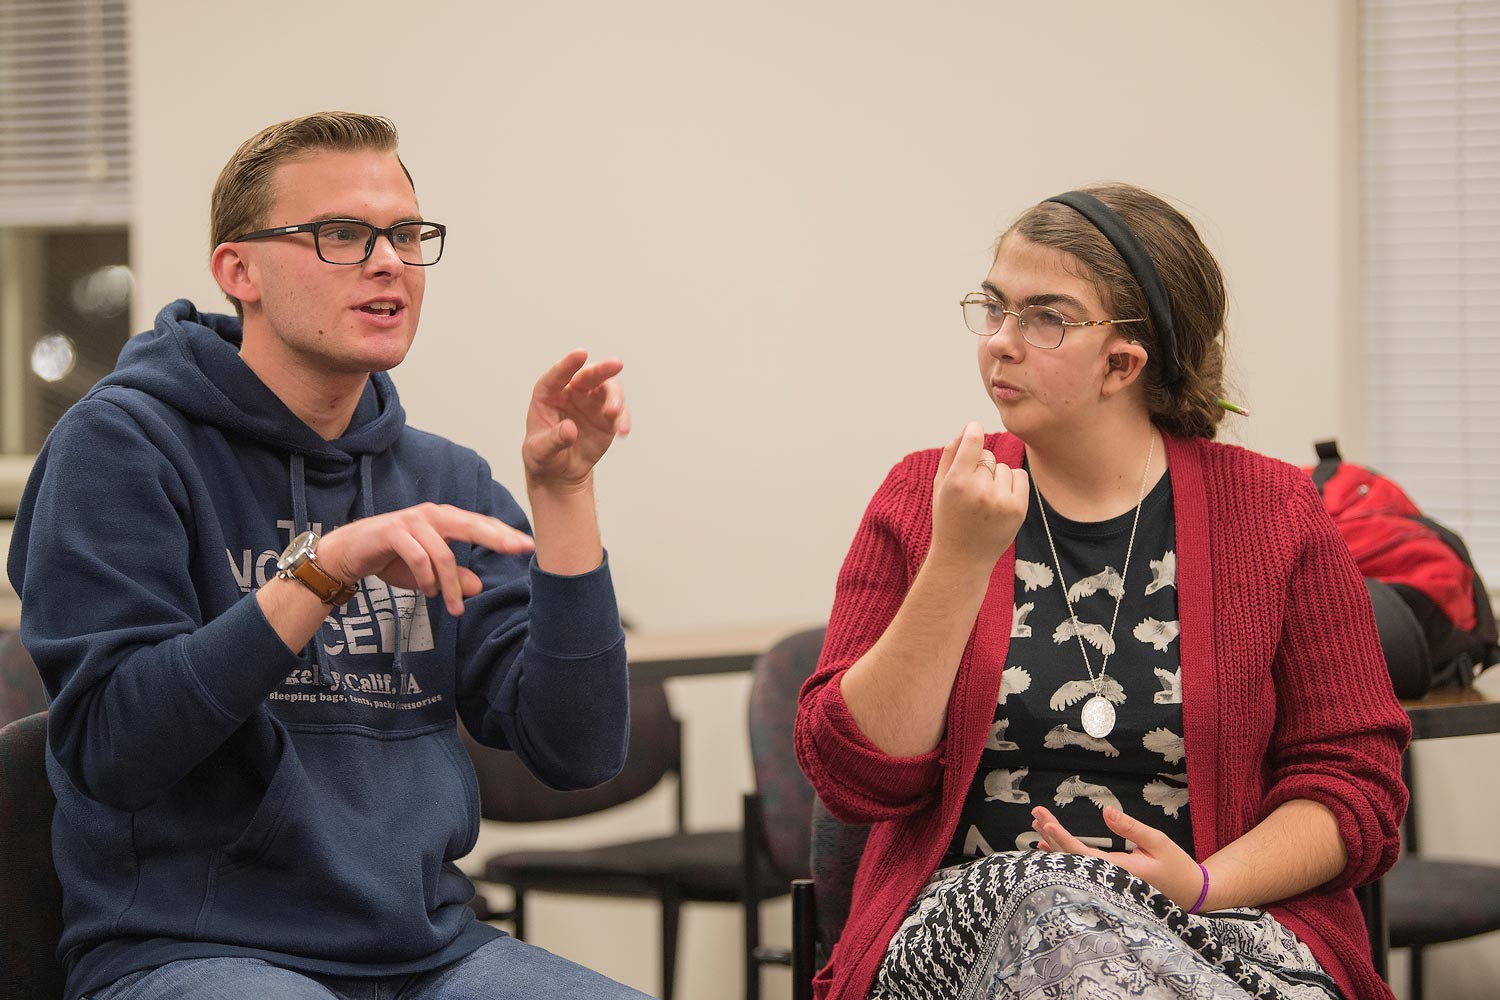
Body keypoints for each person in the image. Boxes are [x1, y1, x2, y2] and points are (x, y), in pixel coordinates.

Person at [7, 112, 650, 1000]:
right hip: (190, 951)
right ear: (239, 270)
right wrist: (322, 570)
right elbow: (115, 746)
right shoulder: (120, 448)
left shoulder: (441, 476)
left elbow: (576, 750)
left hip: (432, 954)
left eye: (405, 235)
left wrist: (564, 496)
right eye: (342, 235)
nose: (388, 261)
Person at [794, 184, 1411, 1000]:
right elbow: (854, 775)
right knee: (1050, 905)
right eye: (994, 307)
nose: (1001, 344)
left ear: (1123, 362)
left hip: (1217, 929)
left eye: (1044, 317)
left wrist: (1198, 888)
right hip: (970, 926)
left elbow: (1354, 785)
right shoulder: (927, 497)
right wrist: (957, 561)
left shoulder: (1274, 512)